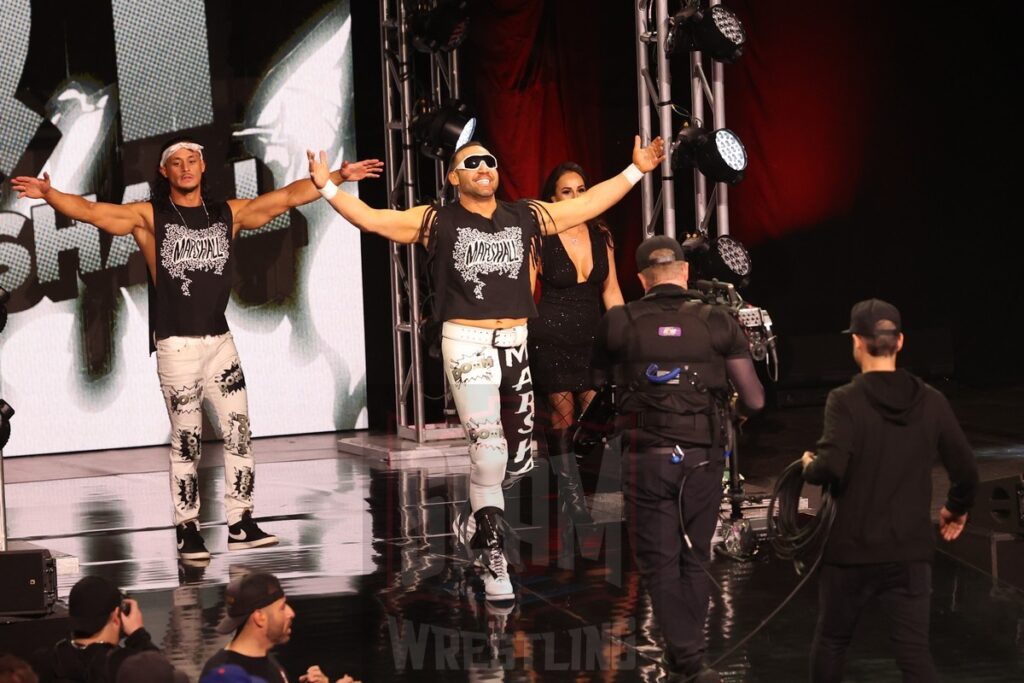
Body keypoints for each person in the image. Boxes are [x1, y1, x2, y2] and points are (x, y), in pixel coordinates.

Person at [306, 135, 665, 602]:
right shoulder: (438, 219)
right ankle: (494, 556)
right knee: (491, 453)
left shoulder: (525, 216)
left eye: (489, 161)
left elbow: (591, 202)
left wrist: (635, 170)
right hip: (469, 344)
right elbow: (376, 221)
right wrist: (328, 189)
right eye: (471, 162)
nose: (483, 167)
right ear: (454, 177)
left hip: (514, 344)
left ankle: (479, 515)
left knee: (517, 461)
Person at [11, 140, 382, 560]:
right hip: (177, 346)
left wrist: (336, 179)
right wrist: (50, 194)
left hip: (220, 343)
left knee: (239, 433)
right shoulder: (150, 217)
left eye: (192, 161)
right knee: (186, 442)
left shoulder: (227, 214)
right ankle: (187, 528)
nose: (185, 168)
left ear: (203, 167)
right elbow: (94, 213)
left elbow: (283, 199)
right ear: (164, 172)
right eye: (176, 163)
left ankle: (241, 523)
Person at [592, 235, 765, 682]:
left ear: (641, 279)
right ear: (685, 272)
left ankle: (688, 660)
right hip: (703, 459)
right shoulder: (719, 321)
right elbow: (755, 399)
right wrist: (737, 417)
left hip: (645, 457)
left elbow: (595, 384)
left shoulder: (618, 322)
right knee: (695, 559)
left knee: (660, 563)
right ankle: (689, 656)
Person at [801, 298, 978, 683]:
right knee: (914, 657)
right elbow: (966, 470)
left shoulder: (844, 401)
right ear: (899, 342)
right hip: (910, 552)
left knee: (832, 642)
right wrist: (955, 508)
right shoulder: (932, 401)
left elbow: (829, 466)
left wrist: (807, 466)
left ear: (857, 343)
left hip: (850, 552)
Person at [528, 162, 624, 529]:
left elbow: (611, 290)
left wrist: (626, 332)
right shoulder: (540, 236)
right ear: (552, 199)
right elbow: (526, 289)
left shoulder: (602, 234)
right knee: (563, 419)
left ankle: (591, 489)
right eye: (566, 191)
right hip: (550, 334)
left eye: (581, 190)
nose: (576, 197)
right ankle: (572, 499)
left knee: (597, 419)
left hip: (593, 335)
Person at [201, 573, 358, 683]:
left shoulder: (266, 662)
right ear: (259, 617)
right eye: (282, 608)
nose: (291, 613)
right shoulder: (225, 676)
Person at [32, 575, 157, 683]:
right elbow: (163, 675)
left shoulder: (44, 662)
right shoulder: (124, 666)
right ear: (115, 616)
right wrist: (138, 634)